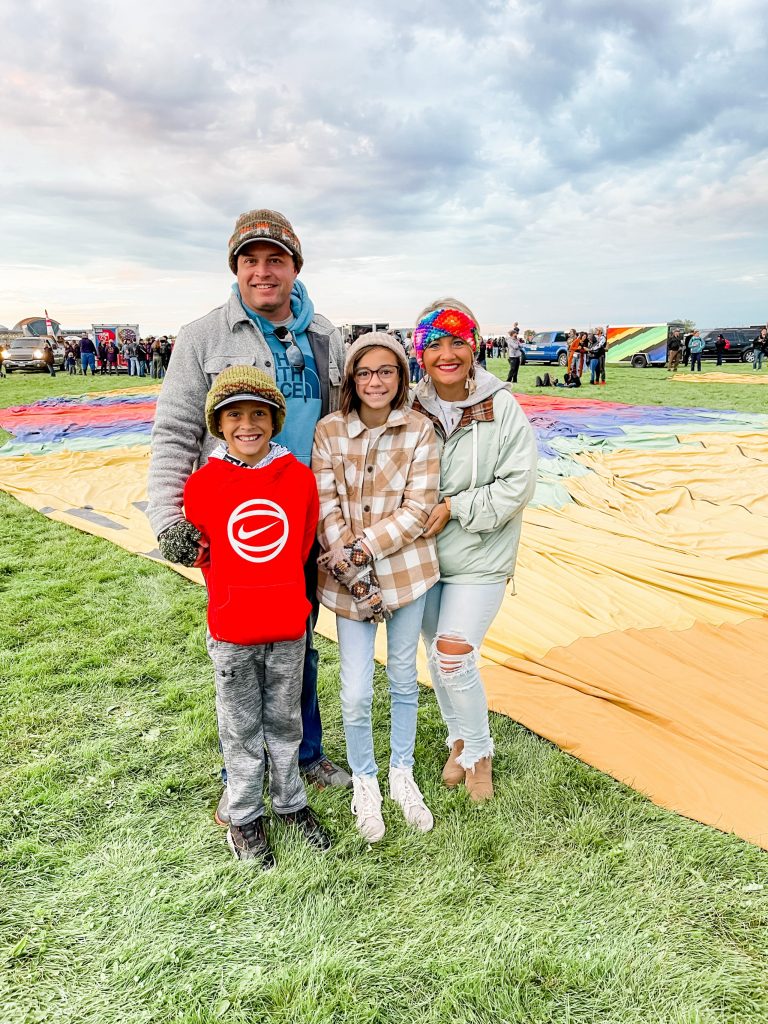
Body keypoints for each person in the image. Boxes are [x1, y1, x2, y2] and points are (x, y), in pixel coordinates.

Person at [147, 208, 351, 828]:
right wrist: (167, 518)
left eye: (276, 259)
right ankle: (244, 770)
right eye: (250, 260)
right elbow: (175, 432)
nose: (263, 272)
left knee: (299, 639)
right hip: (241, 523)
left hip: (307, 514)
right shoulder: (204, 335)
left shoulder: (329, 337)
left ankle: (301, 757)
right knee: (241, 646)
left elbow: (354, 421)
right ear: (235, 268)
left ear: (295, 267)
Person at [162, 366, 331, 866]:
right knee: (240, 728)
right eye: (234, 415)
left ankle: (290, 802)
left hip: (286, 625)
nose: (247, 425)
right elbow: (207, 554)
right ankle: (243, 814)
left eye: (258, 414)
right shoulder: (204, 484)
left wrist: (283, 596)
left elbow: (300, 545)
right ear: (218, 423)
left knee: (285, 722)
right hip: (234, 629)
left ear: (275, 420)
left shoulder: (298, 480)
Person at [312, 333, 440, 842]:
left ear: (401, 376)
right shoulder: (329, 431)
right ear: (350, 379)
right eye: (364, 373)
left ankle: (401, 772)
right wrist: (349, 562)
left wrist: (360, 549)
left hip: (407, 574)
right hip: (348, 585)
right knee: (357, 686)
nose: (374, 382)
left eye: (385, 371)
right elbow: (325, 502)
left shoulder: (420, 431)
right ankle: (365, 779)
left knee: (404, 677)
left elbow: (418, 508)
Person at [411, 300, 538, 801]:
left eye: (458, 341)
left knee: (452, 653)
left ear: (475, 346)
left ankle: (480, 750)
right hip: (421, 556)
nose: (448, 353)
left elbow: (518, 484)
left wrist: (455, 506)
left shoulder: (500, 405)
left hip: (481, 552)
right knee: (434, 652)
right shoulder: (408, 406)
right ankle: (458, 736)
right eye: (435, 344)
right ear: (419, 353)